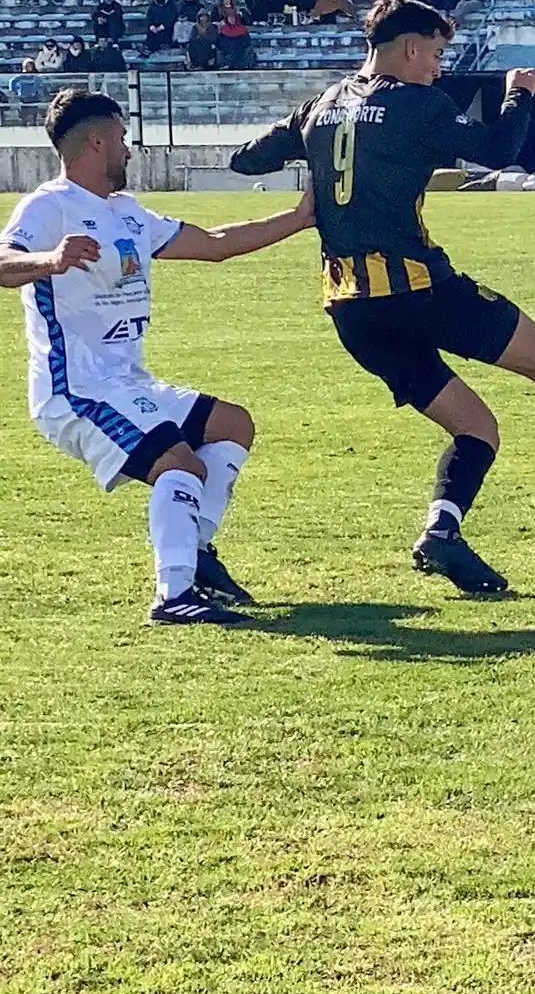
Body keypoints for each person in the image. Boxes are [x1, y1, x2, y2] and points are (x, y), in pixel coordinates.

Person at [230, 0, 535, 592]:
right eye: (434, 54)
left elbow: (244, 160)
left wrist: (316, 181)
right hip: (419, 291)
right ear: (408, 50)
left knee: (477, 428)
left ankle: (442, 533)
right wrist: (520, 92)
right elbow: (500, 149)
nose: (437, 68)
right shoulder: (417, 103)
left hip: (350, 311)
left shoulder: (319, 106)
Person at [0, 89, 315, 624]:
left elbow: (214, 243)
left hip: (127, 382)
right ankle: (174, 597)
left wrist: (302, 217)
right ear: (96, 142)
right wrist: (49, 259)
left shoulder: (127, 212)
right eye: (123, 139)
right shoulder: (49, 205)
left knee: (232, 425)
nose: (130, 150)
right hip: (75, 389)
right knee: (180, 464)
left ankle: (194, 552)